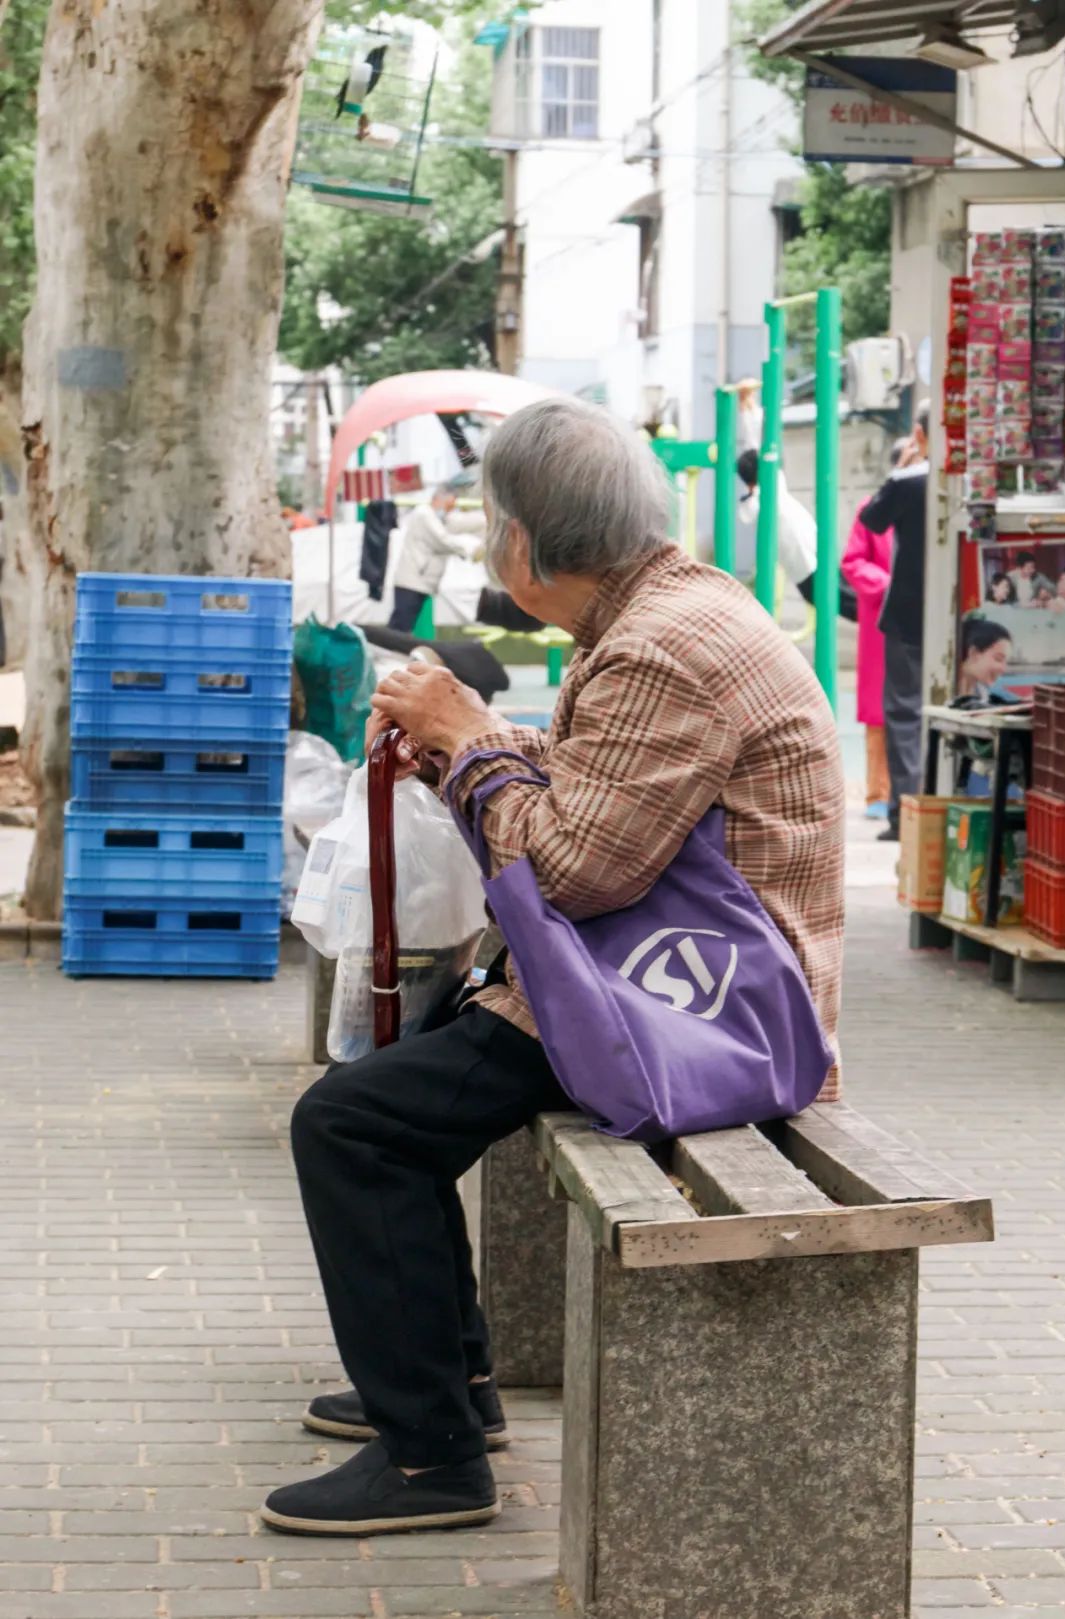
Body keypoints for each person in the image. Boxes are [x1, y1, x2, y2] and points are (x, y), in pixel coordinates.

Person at [263, 397, 846, 1540]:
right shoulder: (667, 613)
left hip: (691, 1014)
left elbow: (574, 868)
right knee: (408, 1078)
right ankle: (449, 1390)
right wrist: (457, 740)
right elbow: (597, 784)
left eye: (492, 523)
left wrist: (469, 733)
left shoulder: (661, 649)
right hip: (655, 980)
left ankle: (431, 1457)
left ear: (523, 539)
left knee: (351, 1123)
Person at [859, 400, 931, 842]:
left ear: (918, 436)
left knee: (904, 713)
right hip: (960, 614)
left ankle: (906, 815)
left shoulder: (908, 481)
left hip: (907, 614)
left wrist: (900, 466)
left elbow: (872, 518)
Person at [842, 443, 902, 820]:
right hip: (882, 621)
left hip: (910, 618)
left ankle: (903, 793)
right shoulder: (871, 510)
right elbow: (852, 561)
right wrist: (892, 584)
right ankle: (878, 793)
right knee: (879, 711)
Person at [736, 448, 856, 621]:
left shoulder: (761, 499)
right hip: (810, 567)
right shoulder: (765, 497)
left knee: (858, 604)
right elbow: (772, 468)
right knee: (858, 606)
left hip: (811, 565)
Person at [389, 485, 485, 632]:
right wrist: (471, 549)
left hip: (421, 581)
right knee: (400, 626)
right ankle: (387, 652)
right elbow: (442, 540)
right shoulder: (424, 514)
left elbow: (463, 523)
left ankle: (390, 652)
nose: (450, 510)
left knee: (404, 626)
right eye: (449, 505)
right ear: (438, 499)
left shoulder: (438, 518)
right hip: (411, 581)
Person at [958, 618, 1012, 700]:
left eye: (1006, 662)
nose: (1003, 669)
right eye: (998, 659)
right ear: (973, 653)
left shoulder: (982, 694)